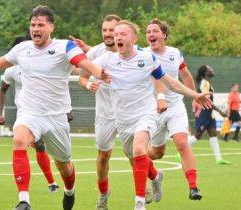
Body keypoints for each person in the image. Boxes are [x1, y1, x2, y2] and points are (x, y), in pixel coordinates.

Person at [0, 5, 110, 210]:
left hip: (57, 116)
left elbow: (83, 62)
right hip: (30, 113)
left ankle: (69, 191)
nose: (36, 28)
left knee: (64, 166)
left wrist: (99, 72)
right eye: (33, 25)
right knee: (20, 139)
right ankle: (24, 200)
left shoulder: (64, 47)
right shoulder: (21, 49)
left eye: (40, 24)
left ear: (51, 27)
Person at [92, 20, 212, 210]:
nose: (117, 37)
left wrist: (196, 95)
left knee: (141, 150)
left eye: (122, 33)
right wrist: (87, 76)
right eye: (116, 34)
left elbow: (170, 83)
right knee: (140, 155)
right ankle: (155, 176)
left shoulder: (147, 59)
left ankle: (140, 203)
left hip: (147, 113)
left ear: (133, 38)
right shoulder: (107, 60)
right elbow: (81, 67)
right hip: (122, 118)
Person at [144, 18, 202, 201]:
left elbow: (185, 74)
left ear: (164, 35)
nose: (151, 34)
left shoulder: (176, 53)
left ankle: (193, 187)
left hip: (175, 106)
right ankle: (154, 175)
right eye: (148, 32)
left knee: (182, 143)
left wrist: (195, 97)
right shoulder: (143, 54)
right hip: (151, 110)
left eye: (155, 31)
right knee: (155, 153)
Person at [0, 35, 60, 193]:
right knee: (36, 145)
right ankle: (49, 184)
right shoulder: (11, 71)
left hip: (48, 111)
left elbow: (58, 86)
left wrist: (68, 109)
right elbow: (2, 89)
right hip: (26, 112)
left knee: (57, 152)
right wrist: (0, 113)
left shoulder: (42, 65)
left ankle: (55, 182)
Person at [75, 14, 122, 210]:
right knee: (103, 157)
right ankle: (103, 194)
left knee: (136, 153)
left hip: (128, 113)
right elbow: (82, 77)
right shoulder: (95, 53)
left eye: (112, 30)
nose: (108, 34)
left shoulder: (134, 52)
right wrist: (88, 85)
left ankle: (143, 187)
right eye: (105, 30)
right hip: (104, 113)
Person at [189, 65, 231, 164]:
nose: (212, 69)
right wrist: (220, 111)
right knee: (197, 136)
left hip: (209, 114)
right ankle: (180, 153)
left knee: (213, 135)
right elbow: (206, 100)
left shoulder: (207, 83)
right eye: (209, 68)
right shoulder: (204, 83)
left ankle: (219, 159)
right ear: (205, 72)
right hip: (203, 114)